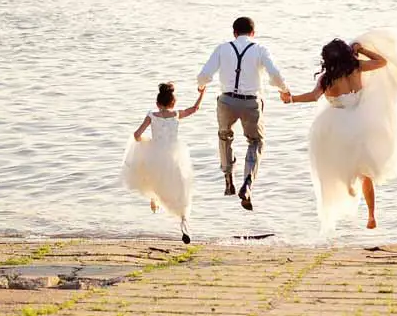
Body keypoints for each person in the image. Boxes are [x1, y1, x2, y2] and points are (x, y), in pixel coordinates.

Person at [281, 29, 397, 232]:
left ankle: (348, 186)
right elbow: (382, 62)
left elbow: (312, 96)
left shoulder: (326, 79)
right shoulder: (357, 68)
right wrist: (363, 50)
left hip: (337, 126)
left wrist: (291, 99)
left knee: (335, 163)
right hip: (362, 123)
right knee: (366, 172)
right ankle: (371, 215)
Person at [198, 16, 290, 211]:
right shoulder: (260, 49)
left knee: (224, 137)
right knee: (256, 142)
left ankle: (228, 179)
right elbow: (275, 74)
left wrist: (201, 86)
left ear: (234, 33)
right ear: (253, 33)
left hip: (226, 101)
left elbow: (204, 75)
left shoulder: (223, 48)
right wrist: (283, 90)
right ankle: (247, 184)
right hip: (250, 103)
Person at [121, 82, 205, 243]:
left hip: (155, 157)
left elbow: (137, 134)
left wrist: (144, 142)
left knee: (154, 180)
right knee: (180, 189)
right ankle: (183, 222)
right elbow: (195, 109)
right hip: (174, 157)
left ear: (157, 103)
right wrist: (202, 93)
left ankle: (154, 198)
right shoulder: (177, 115)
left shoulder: (152, 115)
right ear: (173, 102)